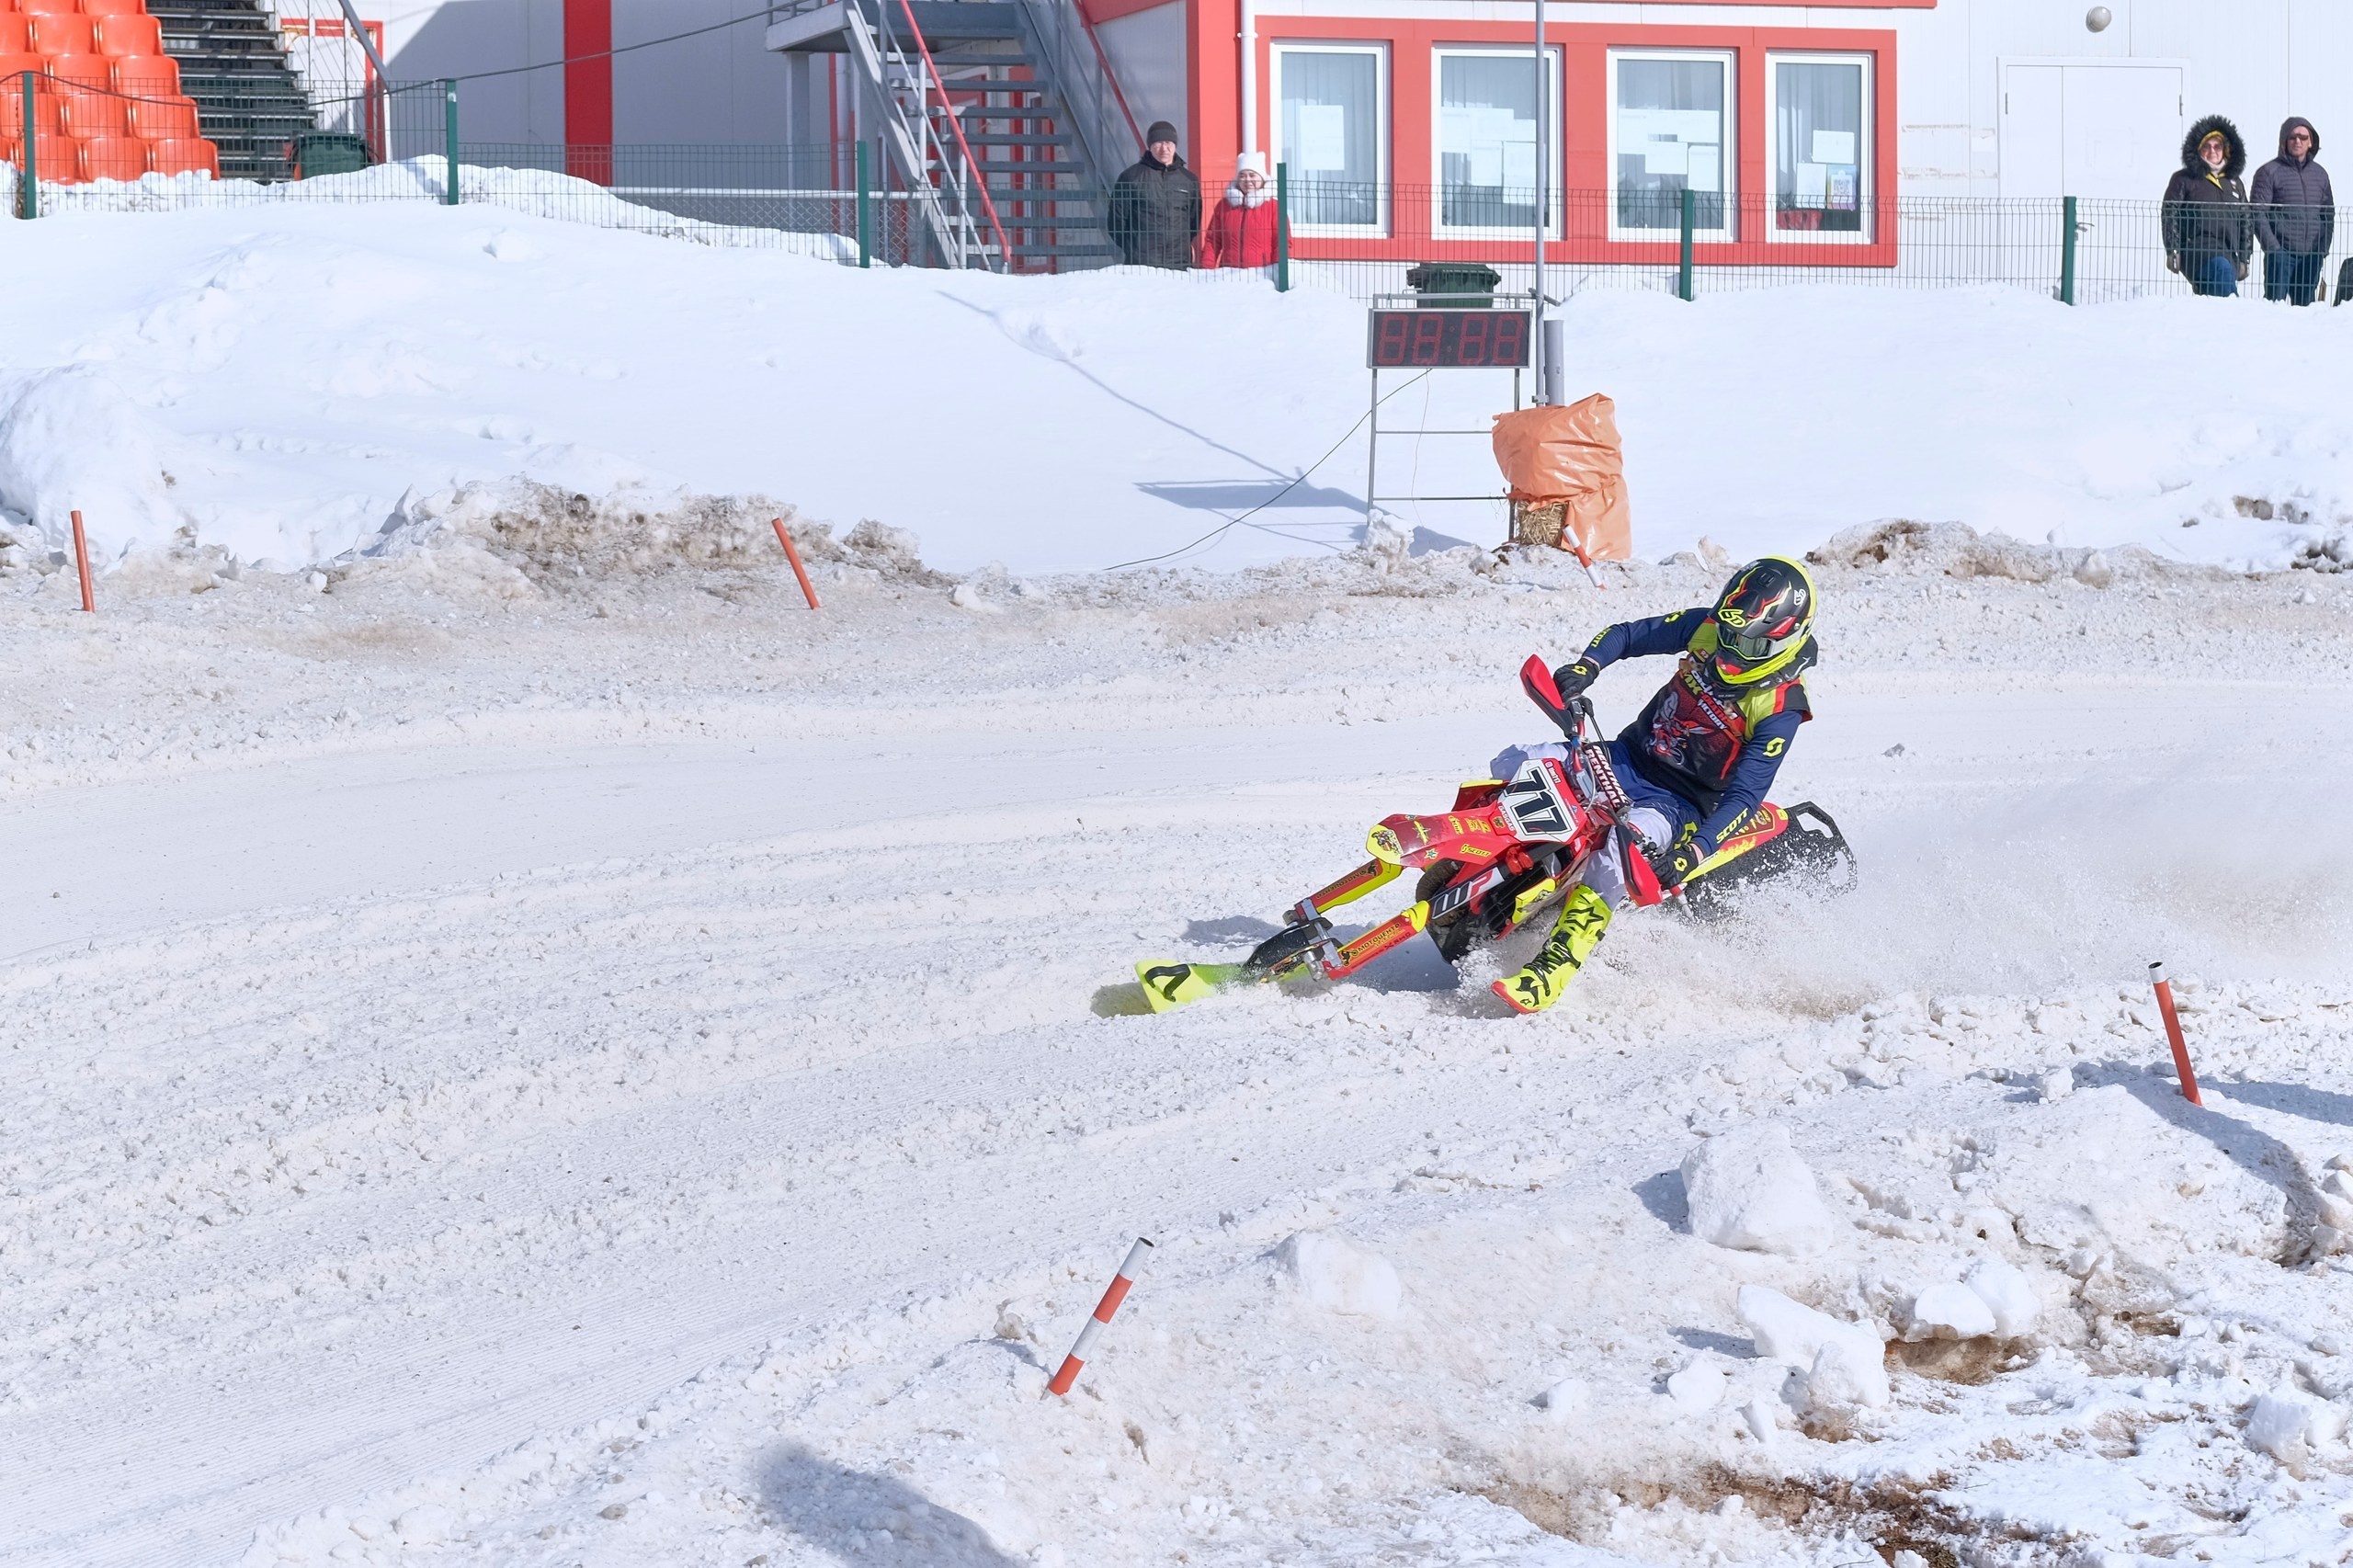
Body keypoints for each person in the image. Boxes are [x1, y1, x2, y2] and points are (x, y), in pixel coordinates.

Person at [1494, 557, 1817, 1015]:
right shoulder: (1707, 627)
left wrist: (1693, 853)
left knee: (1614, 857)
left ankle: (1553, 967)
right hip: (1627, 757)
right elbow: (1627, 635)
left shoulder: (1782, 707)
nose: (1729, 650)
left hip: (1679, 804)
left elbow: (1746, 797)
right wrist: (1587, 667)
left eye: (1746, 641)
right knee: (1514, 761)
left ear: (1784, 638)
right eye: (1728, 634)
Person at [2162, 117, 2251, 297]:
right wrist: (2173, 249)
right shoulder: (2184, 179)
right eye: (2206, 147)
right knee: (2221, 270)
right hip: (2196, 250)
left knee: (2213, 297)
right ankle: (2235, 311)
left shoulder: (2235, 183)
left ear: (2226, 150)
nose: (2212, 151)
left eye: (2217, 146)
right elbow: (2170, 212)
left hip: (2228, 250)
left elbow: (2246, 220)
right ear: (2198, 150)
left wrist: (2244, 257)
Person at [2252, 117, 2333, 306]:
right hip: (2281, 255)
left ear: (2311, 142)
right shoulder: (2269, 171)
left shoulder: (2320, 174)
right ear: (2284, 141)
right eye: (2293, 137)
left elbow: (2328, 214)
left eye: (2303, 137)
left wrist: (2321, 249)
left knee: (2306, 311)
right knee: (2275, 309)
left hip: (2311, 256)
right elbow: (2257, 212)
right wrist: (2273, 248)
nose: (2298, 141)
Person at [1109, 120, 1201, 270]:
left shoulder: (1189, 180)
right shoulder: (1131, 177)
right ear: (1150, 146)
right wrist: (1132, 247)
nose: (1164, 148)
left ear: (1175, 145)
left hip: (1179, 262)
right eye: (1158, 143)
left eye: (1168, 143)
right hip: (1141, 263)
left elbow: (1194, 220)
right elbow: (1116, 220)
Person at [1197, 151, 1281, 268]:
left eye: (1252, 175)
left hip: (1262, 273)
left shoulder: (1273, 207)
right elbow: (1213, 241)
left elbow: (1281, 243)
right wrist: (1206, 270)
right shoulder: (1224, 206)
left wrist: (1278, 270)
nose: (1247, 180)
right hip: (1229, 273)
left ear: (1262, 178)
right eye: (1242, 175)